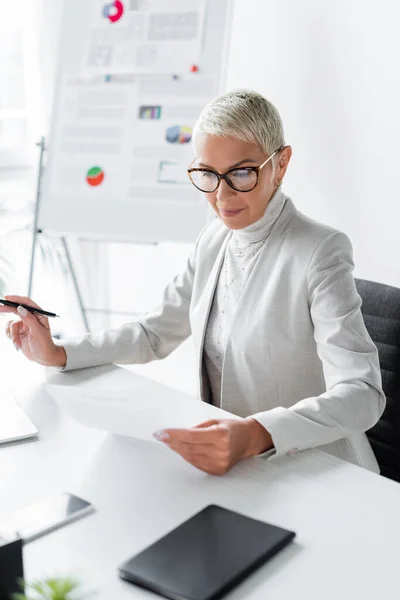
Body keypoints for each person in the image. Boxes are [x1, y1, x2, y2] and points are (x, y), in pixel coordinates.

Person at [0, 89, 385, 476]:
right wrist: (57, 353)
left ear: (280, 164)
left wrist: (256, 433)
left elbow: (363, 394)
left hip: (320, 469)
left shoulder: (320, 249)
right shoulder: (214, 239)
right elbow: (153, 333)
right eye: (207, 174)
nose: (222, 195)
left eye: (241, 173)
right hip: (240, 468)